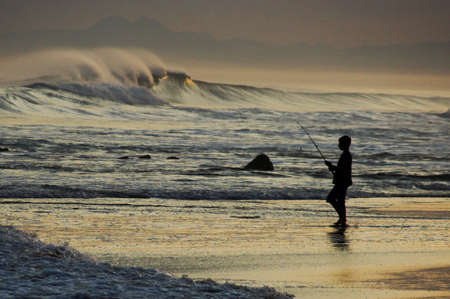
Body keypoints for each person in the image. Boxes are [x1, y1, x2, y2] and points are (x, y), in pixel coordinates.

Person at [325, 135, 352, 227]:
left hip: (342, 181)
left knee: (331, 198)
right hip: (343, 181)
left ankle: (342, 218)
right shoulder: (346, 155)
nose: (339, 145)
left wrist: (332, 167)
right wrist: (332, 167)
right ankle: (342, 219)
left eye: (340, 143)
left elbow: (342, 170)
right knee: (340, 201)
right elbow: (342, 169)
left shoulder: (346, 155)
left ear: (346, 144)